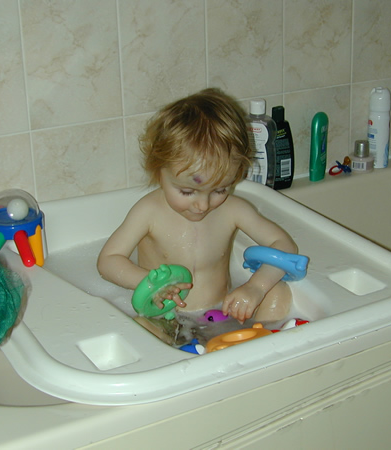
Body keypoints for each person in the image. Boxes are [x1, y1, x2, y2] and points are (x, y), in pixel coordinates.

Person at [97, 88, 297, 326]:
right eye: (187, 191)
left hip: (225, 313)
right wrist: (151, 283)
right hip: (165, 317)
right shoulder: (149, 212)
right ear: (159, 171)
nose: (203, 205)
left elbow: (285, 245)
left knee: (278, 292)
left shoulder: (234, 210)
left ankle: (261, 341)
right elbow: (108, 260)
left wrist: (256, 287)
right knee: (142, 327)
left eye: (220, 190)